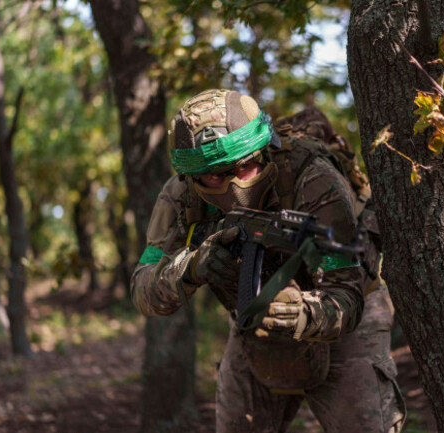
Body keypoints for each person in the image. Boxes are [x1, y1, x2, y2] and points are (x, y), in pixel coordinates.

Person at [130, 89, 405, 433]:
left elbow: (347, 298)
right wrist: (190, 267)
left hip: (347, 327)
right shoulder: (180, 196)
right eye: (216, 176)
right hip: (253, 322)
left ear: (263, 151)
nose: (232, 184)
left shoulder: (312, 178)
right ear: (193, 175)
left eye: (244, 167)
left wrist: (302, 313)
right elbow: (142, 285)